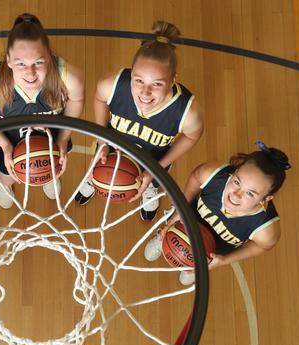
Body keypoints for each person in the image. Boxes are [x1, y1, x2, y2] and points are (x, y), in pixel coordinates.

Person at [75, 20, 204, 221]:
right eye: (139, 80)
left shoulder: (186, 112)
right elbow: (100, 98)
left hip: (153, 160)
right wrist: (102, 141)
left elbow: (193, 135)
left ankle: (149, 189)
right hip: (110, 150)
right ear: (131, 73)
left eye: (157, 84)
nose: (145, 92)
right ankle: (96, 180)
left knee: (152, 180)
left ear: (173, 80)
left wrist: (157, 169)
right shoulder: (113, 85)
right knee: (99, 165)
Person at [0, 13, 84, 209]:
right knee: (7, 176)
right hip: (11, 141)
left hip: (52, 140)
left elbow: (77, 99)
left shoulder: (67, 76)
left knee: (50, 168)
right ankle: (5, 186)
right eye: (21, 63)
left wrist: (64, 138)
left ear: (49, 57)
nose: (30, 73)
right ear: (9, 60)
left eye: (38, 62)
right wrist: (4, 145)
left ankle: (47, 178)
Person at [144, 141, 291, 284]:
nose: (236, 195)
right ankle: (162, 238)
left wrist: (225, 260)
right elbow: (195, 177)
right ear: (235, 172)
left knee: (187, 276)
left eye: (250, 194)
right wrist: (181, 208)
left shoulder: (265, 229)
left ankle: (195, 267)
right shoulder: (213, 174)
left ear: (266, 198)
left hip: (210, 250)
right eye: (237, 182)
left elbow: (262, 246)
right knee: (171, 225)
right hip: (183, 223)